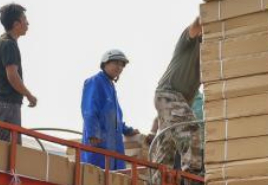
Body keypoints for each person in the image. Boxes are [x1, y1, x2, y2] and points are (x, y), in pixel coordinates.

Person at [150, 18, 204, 174]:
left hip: (171, 100)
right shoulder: (189, 41)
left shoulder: (206, 60)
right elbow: (197, 23)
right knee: (191, 129)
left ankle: (157, 182)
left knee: (167, 144)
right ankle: (192, 175)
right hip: (169, 94)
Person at [81, 50, 140, 170]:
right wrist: (93, 133)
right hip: (98, 145)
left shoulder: (111, 87)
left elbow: (114, 117)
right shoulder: (95, 81)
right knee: (96, 179)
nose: (119, 67)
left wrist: (127, 130)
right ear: (105, 63)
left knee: (113, 182)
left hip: (113, 148)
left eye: (122, 65)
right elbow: (89, 109)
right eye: (116, 63)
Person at [0, 3, 37, 142]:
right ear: (17, 24)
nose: (27, 23)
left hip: (1, 104)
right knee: (8, 153)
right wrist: (29, 95)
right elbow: (12, 75)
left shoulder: (2, 41)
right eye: (24, 19)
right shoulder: (8, 44)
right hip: (7, 104)